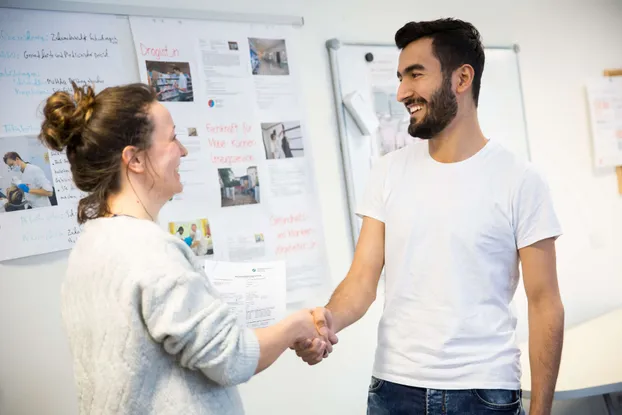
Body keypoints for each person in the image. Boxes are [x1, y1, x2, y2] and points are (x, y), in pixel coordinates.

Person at [294, 18, 564, 415]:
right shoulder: (388, 171)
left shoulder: (520, 180)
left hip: (483, 392)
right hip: (394, 388)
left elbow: (545, 304)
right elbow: (362, 280)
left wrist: (541, 411)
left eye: (415, 75)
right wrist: (327, 321)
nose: (403, 92)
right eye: (401, 77)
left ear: (462, 78)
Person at [39, 81, 330, 415]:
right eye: (172, 138)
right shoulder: (149, 250)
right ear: (134, 159)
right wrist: (298, 323)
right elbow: (232, 360)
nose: (183, 151)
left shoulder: (91, 244)